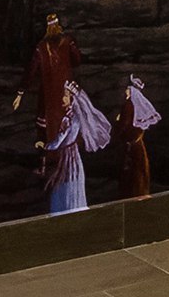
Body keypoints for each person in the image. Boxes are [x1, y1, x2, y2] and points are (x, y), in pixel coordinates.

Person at [39, 81, 114, 216]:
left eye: (66, 96)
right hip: (73, 156)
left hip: (68, 157)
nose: (63, 98)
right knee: (71, 184)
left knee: (65, 185)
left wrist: (45, 146)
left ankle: (65, 211)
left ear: (72, 98)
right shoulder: (75, 117)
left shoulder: (69, 119)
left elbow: (59, 141)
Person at [14, 12, 83, 142]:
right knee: (68, 121)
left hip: (48, 91)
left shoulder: (41, 47)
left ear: (47, 27)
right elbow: (77, 60)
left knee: (46, 125)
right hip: (65, 89)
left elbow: (31, 70)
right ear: (58, 25)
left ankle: (46, 150)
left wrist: (20, 92)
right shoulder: (68, 41)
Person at [114, 75, 161, 200]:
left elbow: (124, 124)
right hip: (137, 145)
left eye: (127, 89)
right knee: (138, 171)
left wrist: (117, 127)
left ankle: (134, 194)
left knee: (133, 172)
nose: (126, 91)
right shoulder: (134, 106)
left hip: (131, 146)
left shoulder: (129, 105)